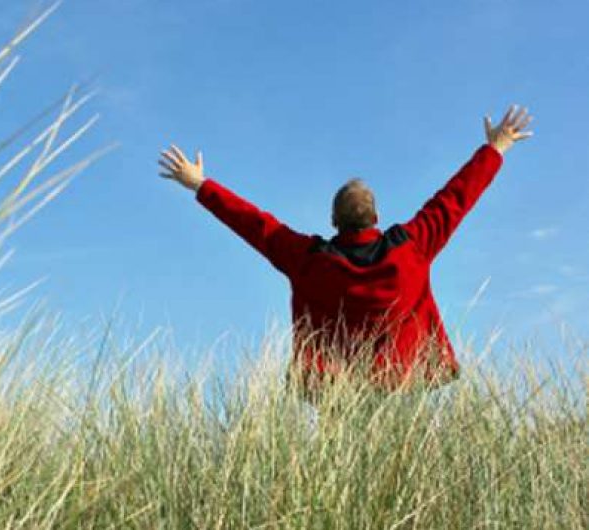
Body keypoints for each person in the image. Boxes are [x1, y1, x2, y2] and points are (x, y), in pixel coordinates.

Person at [158, 105, 534, 396]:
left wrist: (200, 185)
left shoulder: (307, 261)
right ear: (376, 218)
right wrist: (495, 148)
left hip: (336, 393)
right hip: (403, 388)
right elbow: (455, 198)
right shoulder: (412, 248)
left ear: (333, 221)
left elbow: (256, 225)